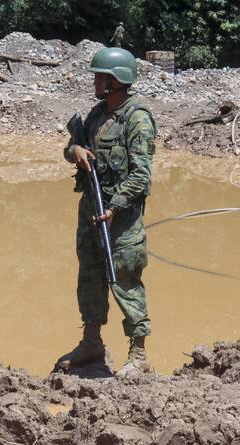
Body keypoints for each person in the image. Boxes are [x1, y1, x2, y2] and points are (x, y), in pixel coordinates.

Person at [57, 47, 156, 378]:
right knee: (90, 278)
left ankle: (139, 354)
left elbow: (141, 176)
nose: (96, 82)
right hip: (91, 212)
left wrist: (115, 206)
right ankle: (92, 343)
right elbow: (70, 149)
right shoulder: (97, 114)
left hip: (121, 221)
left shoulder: (137, 119)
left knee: (124, 281)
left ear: (118, 80)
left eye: (102, 77)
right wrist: (76, 150)